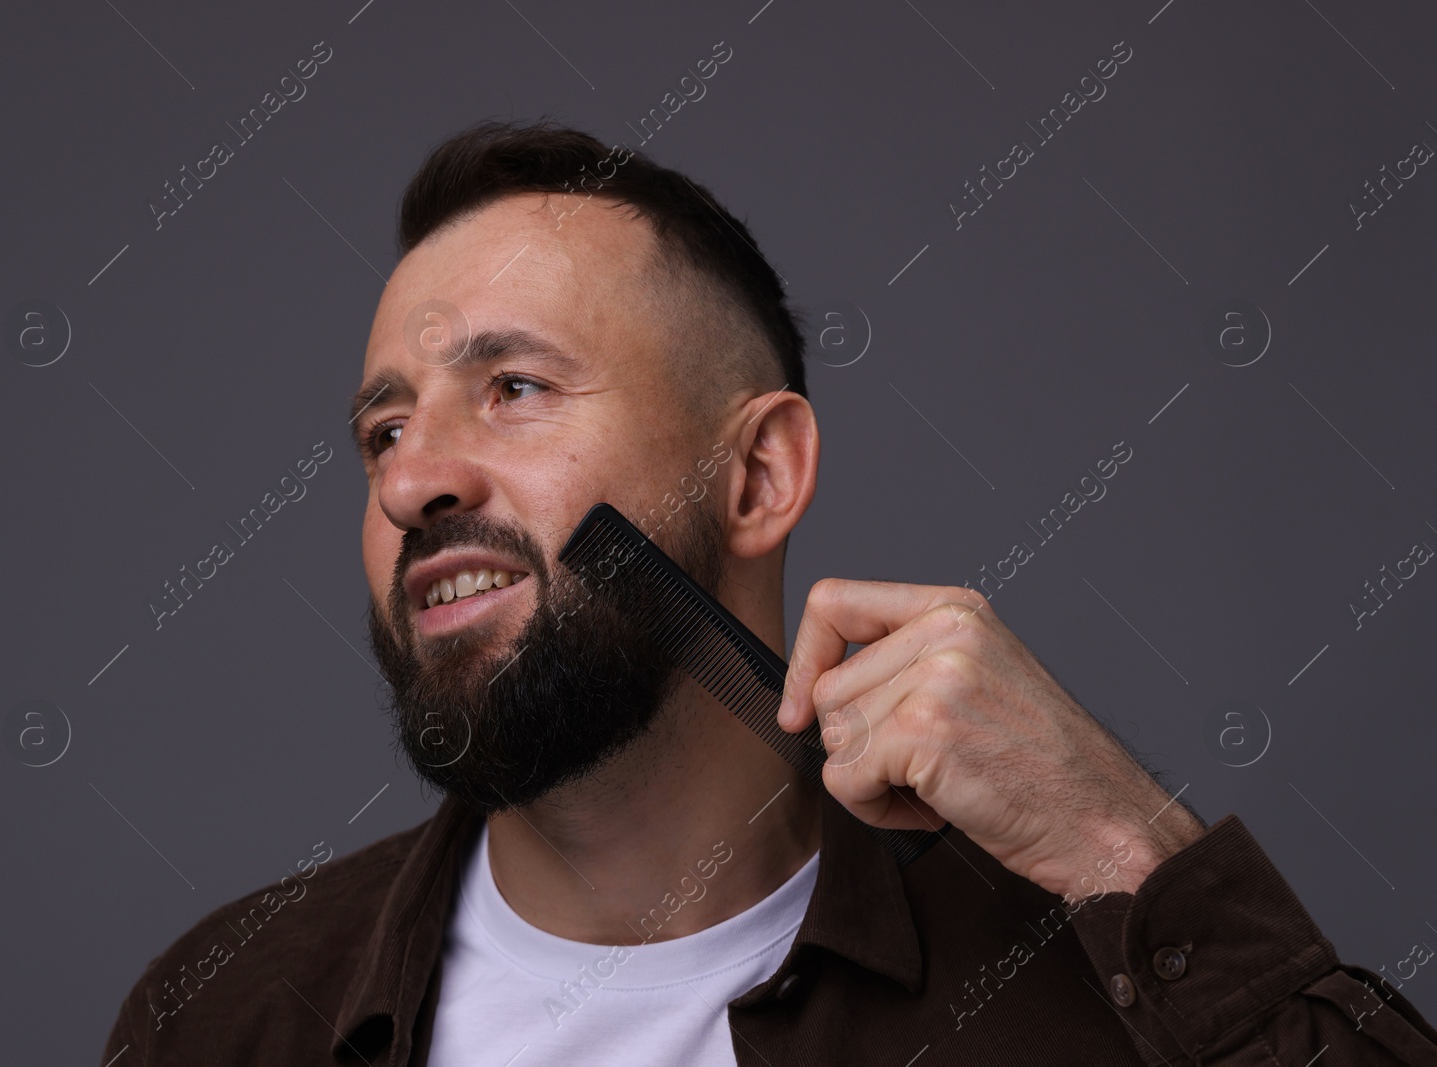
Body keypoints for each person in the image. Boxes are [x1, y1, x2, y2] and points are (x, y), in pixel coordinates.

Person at [100, 120, 1437, 1066]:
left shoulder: (1072, 1003)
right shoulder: (228, 1018)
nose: (411, 484)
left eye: (514, 389)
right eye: (384, 432)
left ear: (757, 476)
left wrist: (1133, 858)